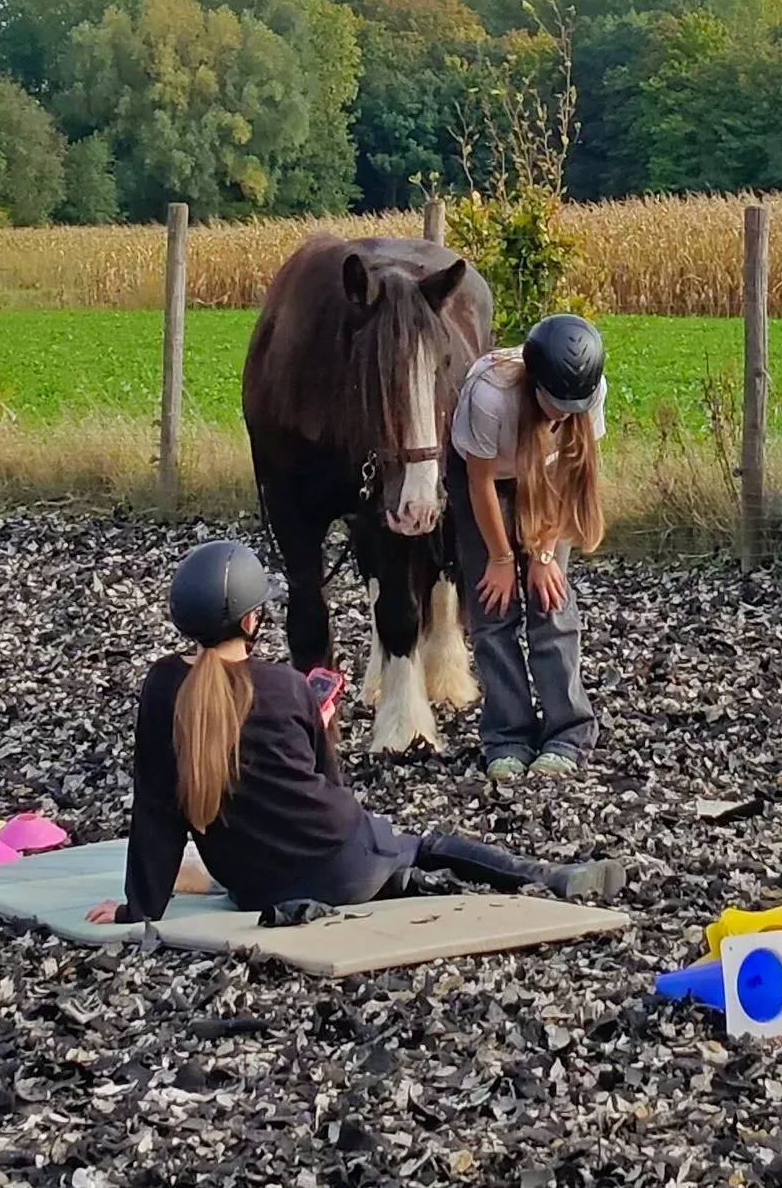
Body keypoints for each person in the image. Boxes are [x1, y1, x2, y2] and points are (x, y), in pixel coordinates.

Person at [90, 539, 624, 924]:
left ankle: (399, 881)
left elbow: (157, 811)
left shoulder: (162, 688)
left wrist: (137, 909)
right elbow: (330, 788)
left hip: (252, 886)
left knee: (378, 856)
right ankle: (549, 877)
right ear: (252, 622)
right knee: (422, 843)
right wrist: (317, 727)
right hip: (341, 865)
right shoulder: (286, 686)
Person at [448, 313, 607, 785]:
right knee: (492, 608)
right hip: (486, 482)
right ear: (534, 381)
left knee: (551, 600)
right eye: (555, 403)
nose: (563, 412)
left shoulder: (587, 392)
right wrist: (500, 558)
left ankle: (568, 732)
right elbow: (478, 483)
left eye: (571, 405)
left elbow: (570, 474)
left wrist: (541, 554)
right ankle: (507, 735)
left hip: (549, 481)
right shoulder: (489, 396)